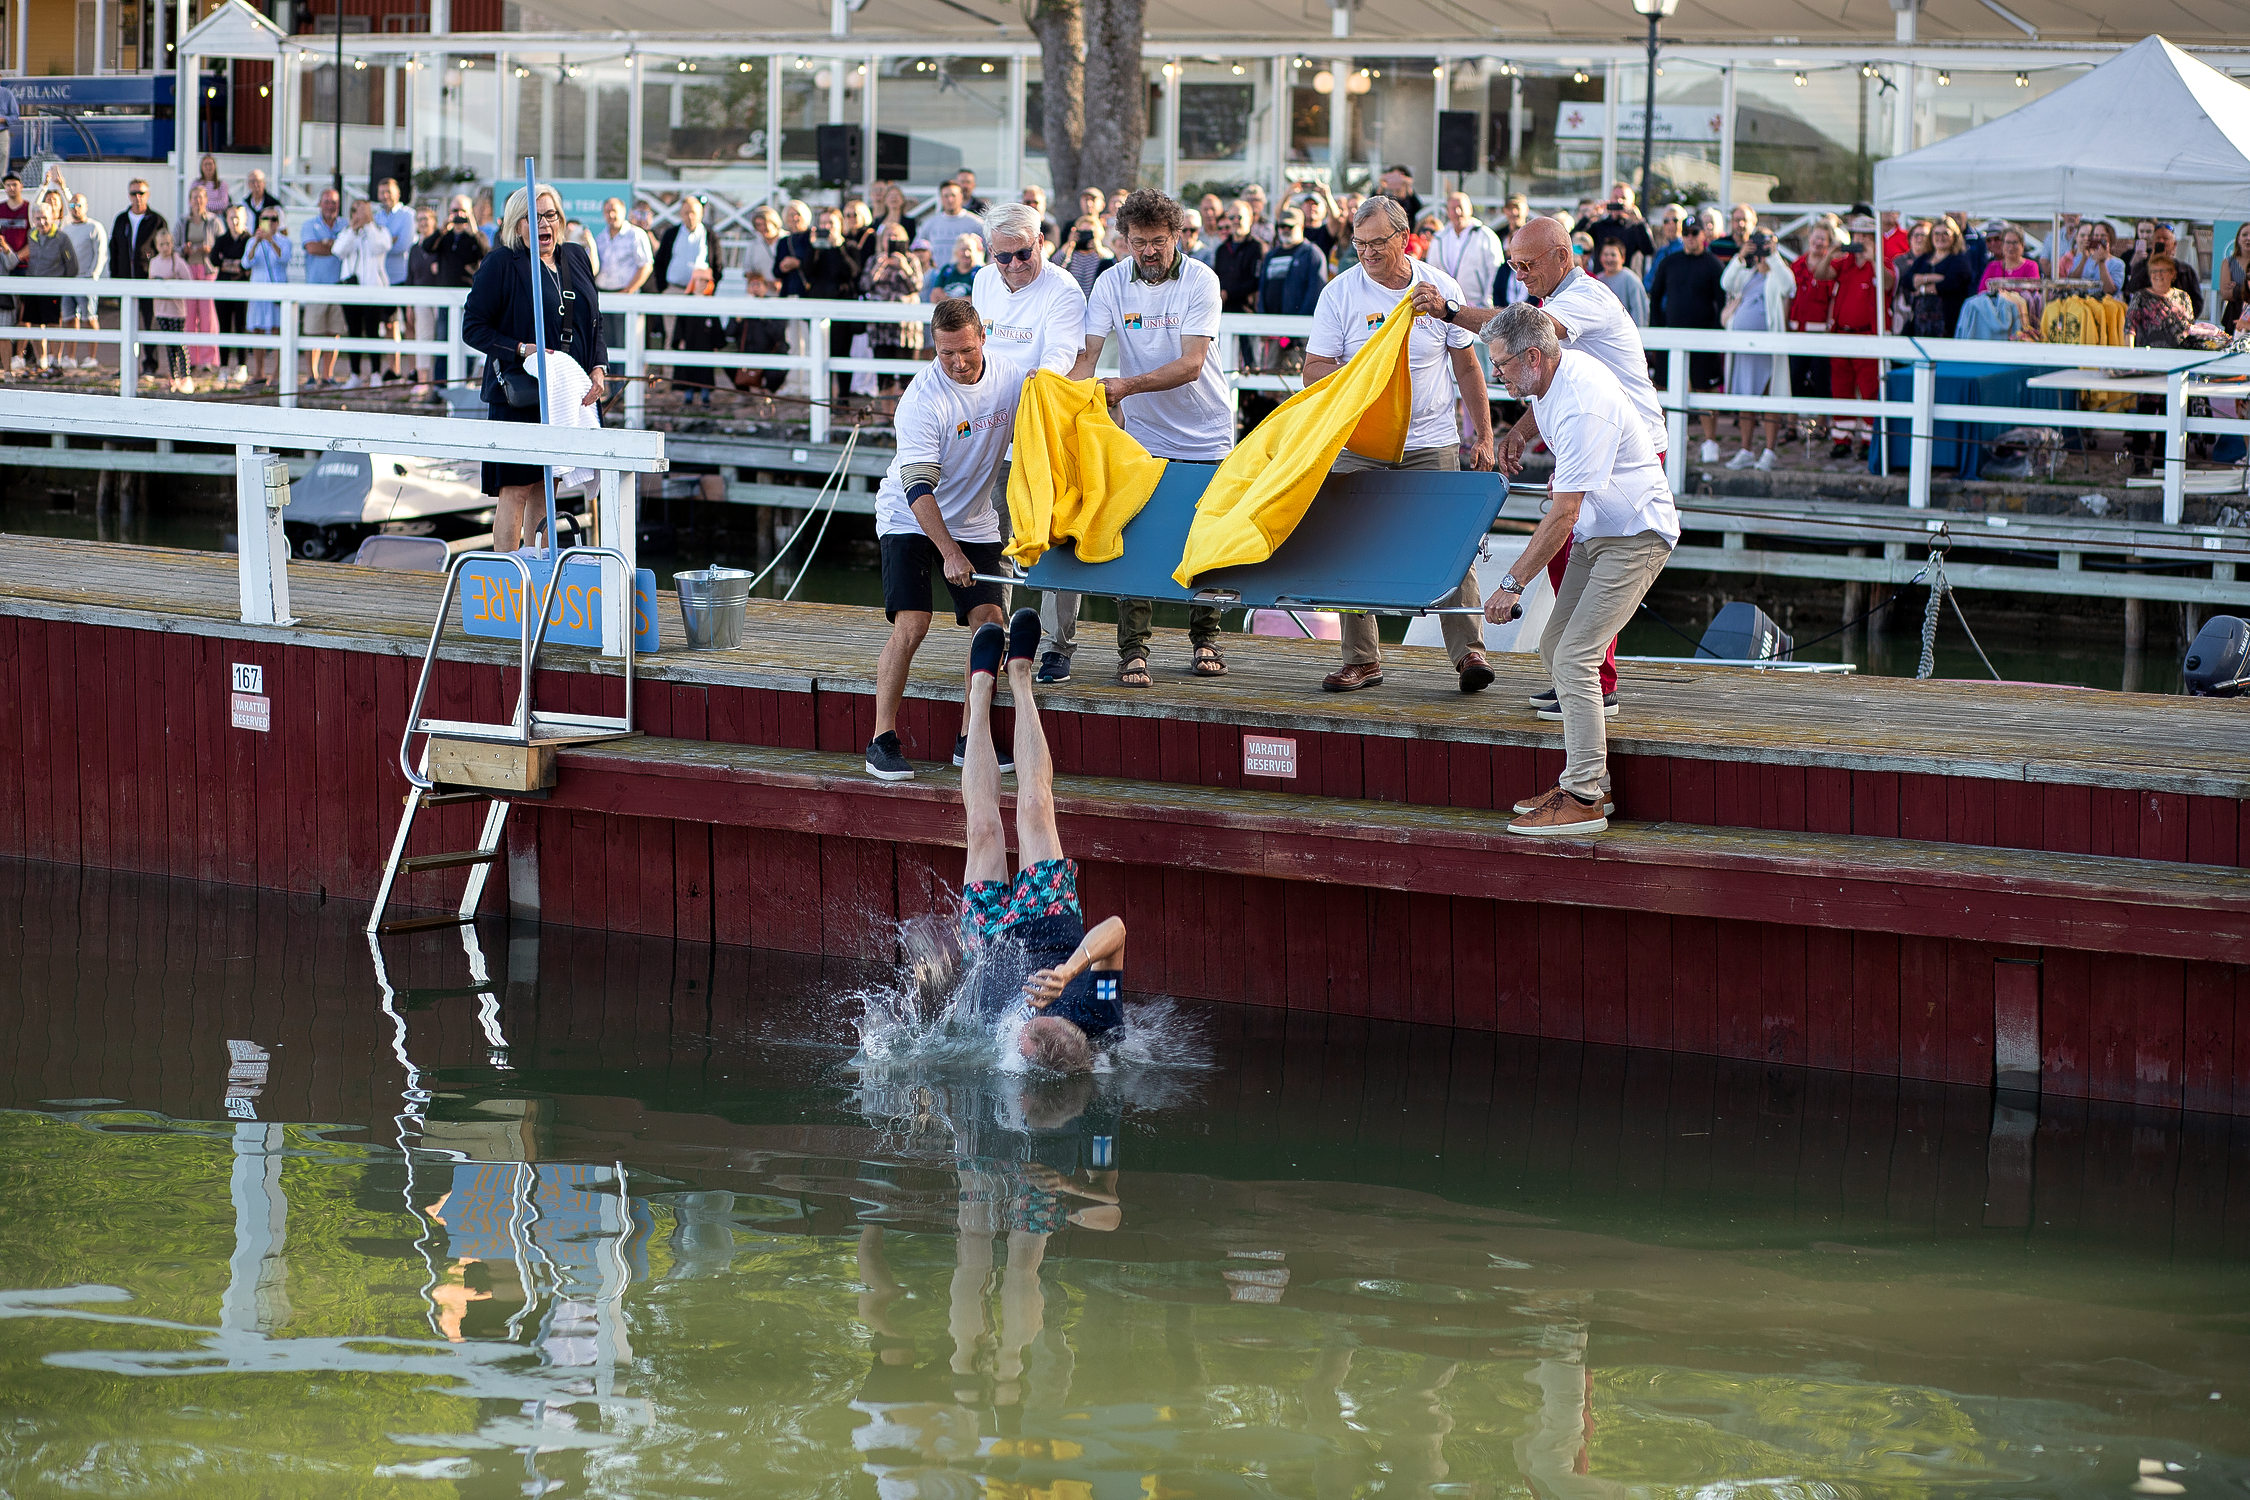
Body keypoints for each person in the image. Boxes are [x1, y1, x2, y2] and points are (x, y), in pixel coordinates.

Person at [1422, 212, 1661, 718]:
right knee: (1565, 556)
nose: (1520, 273)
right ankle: (1582, 673)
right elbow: (1544, 376)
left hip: (1628, 449)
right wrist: (1520, 432)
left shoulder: (1587, 298)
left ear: (1562, 256)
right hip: (1595, 437)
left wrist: (1449, 310)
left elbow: (1521, 334)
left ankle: (1595, 681)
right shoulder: (1556, 299)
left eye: (1528, 263)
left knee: (1583, 546)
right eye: (1513, 264)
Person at [1480, 303, 1678, 836]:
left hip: (1636, 534)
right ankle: (1595, 781)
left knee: (1574, 656)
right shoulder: (1550, 381)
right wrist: (1518, 435)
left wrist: (1510, 582)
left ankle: (1585, 794)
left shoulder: (1580, 405)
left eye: (1499, 363)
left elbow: (1563, 514)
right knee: (1554, 646)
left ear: (1534, 357)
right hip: (1602, 529)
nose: (1494, 372)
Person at [1305, 195, 1493, 695]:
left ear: (1403, 239)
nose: (1365, 253)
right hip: (1360, 442)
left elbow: (1468, 366)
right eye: (1358, 243)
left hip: (1432, 439)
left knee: (1450, 543)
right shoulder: (1340, 294)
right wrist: (1361, 377)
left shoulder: (1439, 289)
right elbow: (1313, 368)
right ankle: (1362, 659)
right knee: (1348, 545)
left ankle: (1469, 653)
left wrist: (1486, 434)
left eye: (1375, 244)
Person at [1046, 188, 1234, 688]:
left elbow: (1193, 365)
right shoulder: (1109, 283)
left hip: (1207, 432)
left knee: (1204, 539)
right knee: (1133, 535)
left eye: (1158, 241)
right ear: (1122, 239)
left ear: (1177, 236)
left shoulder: (1201, 279)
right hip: (1143, 435)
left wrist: (1125, 386)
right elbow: (1086, 357)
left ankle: (1206, 639)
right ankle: (1132, 650)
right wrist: (1056, 393)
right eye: (1137, 242)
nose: (1148, 252)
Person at [954, 609, 1129, 1073]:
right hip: (1049, 920)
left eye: (1024, 1033)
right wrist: (1070, 972)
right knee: (1033, 808)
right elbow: (1116, 931)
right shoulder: (1101, 1015)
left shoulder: (1017, 1058)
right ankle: (1020, 675)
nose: (1028, 1022)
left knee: (983, 830)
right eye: (1040, 1022)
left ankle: (978, 690)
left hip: (990, 945)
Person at [863, 298, 1026, 782]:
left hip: (974, 518)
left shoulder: (1012, 378)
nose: (957, 363)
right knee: (913, 623)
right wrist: (948, 553)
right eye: (946, 352)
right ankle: (881, 740)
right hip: (909, 515)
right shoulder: (921, 400)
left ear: (983, 338)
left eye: (967, 351)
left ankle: (969, 738)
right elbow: (917, 486)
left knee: (991, 624)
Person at [460, 183, 608, 551]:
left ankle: (539, 574)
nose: (544, 223)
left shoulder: (576, 257)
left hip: (566, 394)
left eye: (550, 215)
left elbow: (595, 323)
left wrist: (599, 368)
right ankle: (508, 582)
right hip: (519, 395)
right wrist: (521, 349)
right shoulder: (501, 264)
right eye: (533, 217)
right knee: (516, 487)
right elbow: (473, 328)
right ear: (517, 224)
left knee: (548, 485)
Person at [971, 201, 1084, 376]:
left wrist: (1042, 375)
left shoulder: (1063, 289)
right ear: (991, 251)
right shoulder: (983, 278)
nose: (1015, 264)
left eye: (1023, 253)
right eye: (1004, 256)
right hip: (986, 393)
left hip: (1033, 393)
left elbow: (1061, 350)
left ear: (1040, 242)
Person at [1648, 214, 1726, 461]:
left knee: (1704, 389)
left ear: (1704, 236)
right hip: (1670, 336)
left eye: (1695, 233)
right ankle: (1666, 439)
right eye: (1686, 234)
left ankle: (1710, 442)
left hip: (1703, 338)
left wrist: (1715, 334)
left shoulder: (1713, 264)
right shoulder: (1669, 262)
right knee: (1663, 387)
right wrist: (1656, 332)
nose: (1690, 238)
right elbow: (1656, 298)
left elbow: (1721, 302)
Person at [1720, 228, 1788, 469]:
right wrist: (1740, 257)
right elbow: (1726, 283)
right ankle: (1746, 449)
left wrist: (1773, 256)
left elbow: (1789, 286)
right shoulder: (1745, 275)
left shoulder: (1777, 274)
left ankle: (1769, 451)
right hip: (1744, 347)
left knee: (1771, 397)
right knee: (1745, 397)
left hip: (1769, 347)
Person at [1818, 216, 1881, 460]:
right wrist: (1831, 252)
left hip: (1866, 335)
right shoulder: (1844, 263)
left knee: (1868, 389)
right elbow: (1822, 274)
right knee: (1841, 389)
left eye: (1866, 236)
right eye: (1856, 236)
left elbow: (1887, 283)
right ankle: (1841, 438)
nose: (1860, 240)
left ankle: (1868, 440)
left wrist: (1872, 257)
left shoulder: (1880, 263)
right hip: (1841, 334)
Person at [418, 194, 484, 395]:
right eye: (455, 211)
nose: (459, 215)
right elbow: (427, 246)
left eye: (462, 211)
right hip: (445, 298)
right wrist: (444, 227)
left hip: (467, 297)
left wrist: (472, 228)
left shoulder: (473, 238)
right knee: (442, 339)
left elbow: (484, 252)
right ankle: (439, 387)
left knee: (468, 340)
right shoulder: (444, 237)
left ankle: (465, 384)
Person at [329, 197, 393, 390]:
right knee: (353, 332)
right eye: (357, 211)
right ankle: (355, 374)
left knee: (373, 332)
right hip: (351, 291)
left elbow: (378, 247)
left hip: (374, 290)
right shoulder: (347, 233)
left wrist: (369, 226)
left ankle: (375, 373)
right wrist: (353, 230)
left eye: (364, 211)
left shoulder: (380, 231)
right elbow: (338, 250)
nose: (361, 215)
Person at [108, 177, 168, 377]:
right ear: (129, 195)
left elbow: (164, 249)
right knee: (127, 325)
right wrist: (115, 278)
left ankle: (150, 364)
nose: (137, 197)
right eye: (134, 193)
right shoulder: (121, 220)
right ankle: (127, 365)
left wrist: (157, 275)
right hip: (125, 280)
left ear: (147, 195)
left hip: (147, 281)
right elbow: (114, 250)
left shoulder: (157, 220)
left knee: (149, 322)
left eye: (141, 193)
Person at [1786, 216, 1837, 426]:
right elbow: (1789, 295)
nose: (1818, 242)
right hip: (1798, 329)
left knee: (1821, 379)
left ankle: (1822, 423)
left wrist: (1828, 326)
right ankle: (1792, 424)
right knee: (1794, 378)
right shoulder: (1797, 265)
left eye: (1823, 239)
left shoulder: (1831, 268)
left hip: (1819, 331)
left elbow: (1833, 298)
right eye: (1815, 237)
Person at [592, 195, 652, 371]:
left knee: (625, 343)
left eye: (614, 210)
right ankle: (612, 388)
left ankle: (624, 389)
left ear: (623, 212)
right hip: (604, 295)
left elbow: (646, 266)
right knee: (607, 344)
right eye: (607, 211)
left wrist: (629, 290)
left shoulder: (636, 235)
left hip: (626, 296)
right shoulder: (601, 237)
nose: (611, 215)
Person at [19, 201, 78, 375]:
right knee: (36, 323)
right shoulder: (31, 235)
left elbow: (72, 265)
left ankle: (55, 361)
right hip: (33, 287)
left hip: (52, 287)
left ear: (52, 217)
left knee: (53, 323)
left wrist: (61, 283)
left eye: (45, 218)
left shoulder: (61, 238)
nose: (42, 222)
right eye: (38, 218)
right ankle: (41, 360)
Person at [296, 188, 346, 386]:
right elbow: (312, 248)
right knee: (312, 332)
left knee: (333, 333)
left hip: (338, 286)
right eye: (326, 201)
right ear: (320, 203)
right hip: (315, 287)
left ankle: (328, 375)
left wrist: (327, 245)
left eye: (333, 202)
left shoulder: (345, 225)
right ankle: (312, 375)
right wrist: (334, 246)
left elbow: (346, 249)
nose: (330, 205)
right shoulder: (310, 225)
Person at [371, 178, 415, 382]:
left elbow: (402, 245)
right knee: (389, 325)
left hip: (404, 277)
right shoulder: (376, 217)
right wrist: (390, 239)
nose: (385, 196)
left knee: (410, 323)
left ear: (397, 193)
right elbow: (374, 245)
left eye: (388, 191)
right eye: (381, 192)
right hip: (384, 279)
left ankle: (414, 370)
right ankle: (394, 369)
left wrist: (385, 241)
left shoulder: (408, 215)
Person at [1429, 192, 1503, 311]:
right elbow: (1432, 271)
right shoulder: (1439, 238)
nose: (1458, 212)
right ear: (1448, 212)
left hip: (1478, 307)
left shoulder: (1486, 235)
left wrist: (1488, 301)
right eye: (1453, 208)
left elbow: (1495, 272)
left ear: (1470, 209)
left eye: (1461, 208)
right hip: (1445, 308)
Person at [244, 207, 291, 387]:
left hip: (277, 289)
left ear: (278, 223)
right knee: (257, 330)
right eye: (265, 218)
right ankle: (259, 371)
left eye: (273, 219)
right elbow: (246, 262)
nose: (269, 222)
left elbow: (283, 258)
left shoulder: (285, 241)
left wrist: (271, 240)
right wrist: (256, 242)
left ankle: (277, 373)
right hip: (258, 290)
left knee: (278, 330)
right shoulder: (252, 241)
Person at [144, 228, 194, 391]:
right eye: (162, 244)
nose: (165, 247)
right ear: (157, 246)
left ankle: (186, 376)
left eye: (168, 244)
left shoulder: (177, 261)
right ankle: (174, 377)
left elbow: (188, 280)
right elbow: (150, 283)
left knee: (179, 343)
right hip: (161, 309)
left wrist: (172, 284)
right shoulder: (154, 262)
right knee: (169, 345)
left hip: (176, 310)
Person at [1907, 217, 1974, 338]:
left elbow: (1951, 283)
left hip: (1947, 321)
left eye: (1945, 234)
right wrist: (1932, 277)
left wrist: (1923, 288)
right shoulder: (1924, 259)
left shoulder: (1959, 259)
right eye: (1936, 233)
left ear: (1954, 236)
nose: (1940, 237)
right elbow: (1907, 281)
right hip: (1920, 322)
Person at [59, 193, 104, 373]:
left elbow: (100, 255)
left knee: (90, 318)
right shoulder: (66, 228)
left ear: (86, 206)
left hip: (86, 280)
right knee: (70, 318)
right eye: (72, 206)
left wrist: (93, 277)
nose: (75, 209)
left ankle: (92, 357)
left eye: (79, 205)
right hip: (68, 280)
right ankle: (70, 357)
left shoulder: (94, 227)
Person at [1258, 204, 1327, 317]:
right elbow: (1262, 291)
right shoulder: (1271, 255)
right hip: (1270, 326)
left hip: (1298, 328)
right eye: (1282, 226)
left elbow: (1315, 293)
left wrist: (1301, 323)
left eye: (1290, 226)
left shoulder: (1312, 254)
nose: (1285, 230)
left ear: (1301, 227)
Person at [210, 203, 251, 385]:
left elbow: (246, 263)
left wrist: (232, 264)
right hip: (223, 288)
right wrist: (232, 264)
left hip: (242, 288)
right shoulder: (222, 239)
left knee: (240, 326)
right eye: (231, 217)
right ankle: (224, 367)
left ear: (244, 219)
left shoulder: (248, 239)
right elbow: (213, 259)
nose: (234, 221)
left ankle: (242, 366)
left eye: (238, 217)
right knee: (224, 327)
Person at [2125, 222, 2203, 308]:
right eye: (2158, 238)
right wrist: (2150, 264)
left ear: (2174, 244)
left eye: (2165, 238)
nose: (2161, 241)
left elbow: (2197, 301)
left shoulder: (2185, 270)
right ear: (2152, 242)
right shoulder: (2141, 266)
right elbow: (2132, 289)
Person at [1211, 199, 1263, 317]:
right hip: (1222, 312)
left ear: (1250, 219)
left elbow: (1255, 281)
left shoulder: (1257, 248)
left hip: (1246, 312)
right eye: (1232, 218)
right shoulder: (1221, 250)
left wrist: (1228, 293)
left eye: (1239, 217)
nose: (1235, 221)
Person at [918, 180, 984, 273]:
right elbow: (917, 249)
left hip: (966, 281)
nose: (950, 200)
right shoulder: (929, 224)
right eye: (946, 196)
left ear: (961, 197)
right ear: (941, 198)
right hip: (936, 280)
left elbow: (990, 252)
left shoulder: (977, 223)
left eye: (953, 195)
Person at [1577, 195, 1653, 271]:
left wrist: (1639, 221)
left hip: (1625, 278)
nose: (1619, 201)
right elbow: (1575, 240)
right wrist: (1588, 216)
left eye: (1623, 198)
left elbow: (1649, 250)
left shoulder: (1634, 228)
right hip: (1600, 278)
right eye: (1615, 197)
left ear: (1631, 204)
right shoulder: (1599, 226)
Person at [1051, 216, 1109, 295]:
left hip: (1094, 300)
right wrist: (1069, 243)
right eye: (1082, 232)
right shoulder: (1071, 254)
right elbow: (1055, 263)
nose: (1085, 236)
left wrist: (1097, 246)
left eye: (1089, 232)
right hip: (1073, 298)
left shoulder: (1101, 255)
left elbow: (1110, 262)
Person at [1594, 240, 1647, 325]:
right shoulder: (1597, 280)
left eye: (1613, 255)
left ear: (1623, 258)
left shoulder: (1631, 279)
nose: (1609, 259)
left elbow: (1638, 310)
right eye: (1606, 255)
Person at [1642, 203, 1685, 290]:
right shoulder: (1661, 252)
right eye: (1666, 221)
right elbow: (1648, 281)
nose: (1671, 224)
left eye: (1675, 220)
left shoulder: (1687, 250)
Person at [928, 232, 981, 299]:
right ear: (956, 251)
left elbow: (977, 299)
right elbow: (935, 295)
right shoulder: (947, 270)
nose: (966, 254)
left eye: (970, 250)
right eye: (963, 250)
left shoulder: (979, 272)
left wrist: (948, 300)